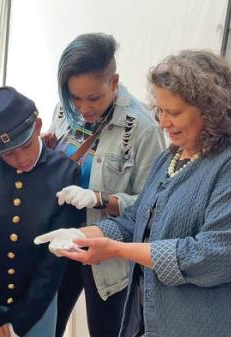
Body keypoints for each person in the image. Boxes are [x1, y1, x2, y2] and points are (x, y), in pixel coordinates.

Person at [37, 50, 231, 337]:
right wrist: (83, 235)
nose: (163, 122)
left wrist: (117, 250)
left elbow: (211, 259)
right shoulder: (171, 158)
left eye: (174, 113)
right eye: (160, 110)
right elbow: (135, 219)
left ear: (213, 110)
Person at [40, 33, 165, 337]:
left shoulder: (143, 129)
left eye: (93, 98)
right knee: (45, 327)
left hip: (107, 253)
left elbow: (154, 206)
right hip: (62, 239)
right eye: (74, 97)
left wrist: (99, 198)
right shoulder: (63, 110)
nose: (83, 108)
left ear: (114, 81)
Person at [0, 86, 85, 337]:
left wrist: (21, 323)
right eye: (8, 153)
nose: (20, 158)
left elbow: (54, 260)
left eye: (24, 145)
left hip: (36, 309)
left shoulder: (65, 173)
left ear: (37, 127)